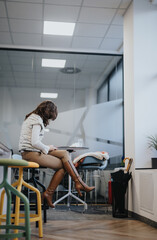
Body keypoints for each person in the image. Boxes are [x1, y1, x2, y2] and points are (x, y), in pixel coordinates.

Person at [19, 100, 94, 208]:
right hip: (30, 154)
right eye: (50, 116)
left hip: (32, 151)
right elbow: (34, 142)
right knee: (65, 165)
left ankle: (76, 184)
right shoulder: (36, 119)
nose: (48, 119)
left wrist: (46, 147)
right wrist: (47, 147)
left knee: (64, 154)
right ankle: (71, 186)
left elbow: (33, 142)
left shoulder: (33, 117)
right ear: (47, 111)